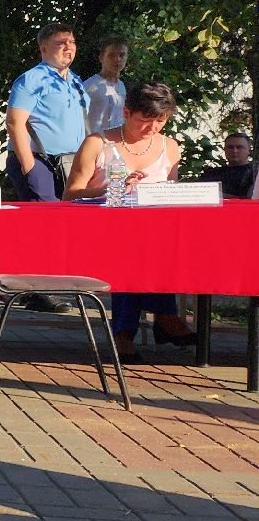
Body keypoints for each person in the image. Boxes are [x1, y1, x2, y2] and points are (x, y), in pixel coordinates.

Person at [62, 82, 194, 360]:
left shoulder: (169, 147)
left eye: (160, 121)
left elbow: (171, 195)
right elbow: (70, 195)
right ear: (126, 112)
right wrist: (111, 189)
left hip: (154, 235)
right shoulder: (98, 143)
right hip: (103, 233)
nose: (152, 128)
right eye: (145, 120)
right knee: (133, 249)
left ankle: (130, 329)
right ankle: (160, 318)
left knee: (151, 246)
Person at [5, 23, 90, 202]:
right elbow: (14, 122)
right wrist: (29, 165)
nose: (69, 47)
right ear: (44, 48)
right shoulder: (31, 80)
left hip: (70, 163)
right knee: (46, 217)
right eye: (61, 43)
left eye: (72, 42)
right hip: (41, 163)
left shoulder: (75, 80)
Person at [84, 35, 129, 136]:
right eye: (111, 55)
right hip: (94, 141)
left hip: (115, 142)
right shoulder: (89, 86)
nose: (117, 59)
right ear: (101, 58)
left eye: (122, 55)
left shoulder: (121, 86)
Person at [199, 132, 254, 199]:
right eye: (230, 147)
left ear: (249, 150)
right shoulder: (212, 174)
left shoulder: (255, 174)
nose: (234, 151)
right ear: (224, 149)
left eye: (239, 147)